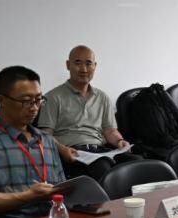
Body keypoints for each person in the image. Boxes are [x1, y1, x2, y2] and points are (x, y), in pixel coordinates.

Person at [0, 66, 66, 218]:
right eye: (26, 101)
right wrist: (28, 196)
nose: (34, 107)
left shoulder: (47, 140)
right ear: (2, 100)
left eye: (38, 100)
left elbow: (62, 189)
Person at [37, 45, 140, 182]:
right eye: (78, 63)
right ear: (68, 65)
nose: (84, 69)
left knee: (138, 163)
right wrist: (62, 150)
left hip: (100, 151)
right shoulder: (53, 97)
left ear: (95, 66)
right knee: (103, 168)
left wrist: (120, 141)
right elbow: (45, 135)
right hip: (72, 153)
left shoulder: (102, 97)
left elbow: (110, 131)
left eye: (88, 63)